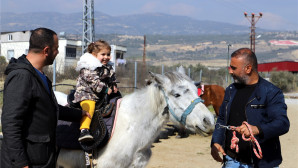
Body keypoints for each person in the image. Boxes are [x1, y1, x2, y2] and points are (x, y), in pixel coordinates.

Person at [1, 27, 90, 168]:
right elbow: (11, 123)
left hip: (42, 159)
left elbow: (49, 109)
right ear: (46, 50)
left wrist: (80, 114)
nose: (58, 52)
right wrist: (21, 163)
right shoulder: (22, 77)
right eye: (56, 49)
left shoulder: (39, 76)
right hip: (27, 162)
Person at [211, 48, 290, 168]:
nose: (230, 71)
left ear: (248, 68)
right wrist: (215, 141)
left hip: (263, 163)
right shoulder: (230, 90)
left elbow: (282, 123)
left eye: (233, 68)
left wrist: (257, 129)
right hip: (232, 161)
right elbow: (221, 119)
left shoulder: (271, 92)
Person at [73, 40, 118, 142]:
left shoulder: (107, 66)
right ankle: (84, 130)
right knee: (89, 107)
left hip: (100, 94)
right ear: (94, 54)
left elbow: (111, 76)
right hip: (86, 93)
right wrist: (105, 89)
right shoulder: (88, 66)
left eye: (108, 54)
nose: (106, 57)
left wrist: (114, 84)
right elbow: (93, 82)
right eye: (103, 54)